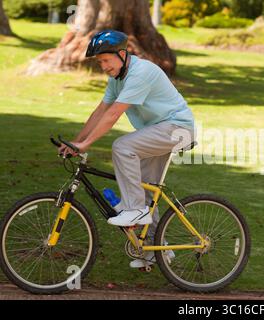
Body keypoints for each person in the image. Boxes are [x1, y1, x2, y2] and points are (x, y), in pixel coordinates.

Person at [57, 30, 195, 268]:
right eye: (100, 62)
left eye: (106, 60)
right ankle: (156, 251)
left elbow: (113, 114)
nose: (103, 66)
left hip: (177, 128)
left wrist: (86, 144)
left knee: (122, 147)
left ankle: (134, 209)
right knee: (143, 191)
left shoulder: (140, 73)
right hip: (157, 131)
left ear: (122, 54)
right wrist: (75, 142)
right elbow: (100, 111)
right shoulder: (117, 79)